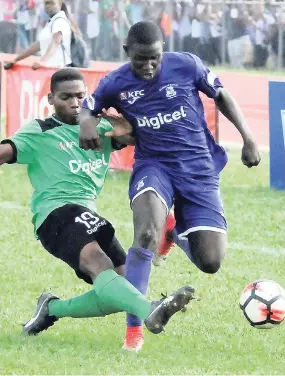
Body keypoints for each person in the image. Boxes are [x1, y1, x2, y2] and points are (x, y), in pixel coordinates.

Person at [78, 21, 261, 351]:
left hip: (199, 170)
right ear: (127, 54)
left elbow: (222, 95)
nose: (148, 66)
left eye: (155, 59)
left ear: (164, 50)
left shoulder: (187, 64)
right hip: (154, 166)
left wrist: (248, 140)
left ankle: (174, 234)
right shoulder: (116, 82)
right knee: (145, 233)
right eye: (140, 60)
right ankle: (134, 330)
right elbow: (87, 106)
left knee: (211, 261)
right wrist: (88, 125)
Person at [0, 68, 195, 342]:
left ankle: (52, 308)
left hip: (87, 215)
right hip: (54, 214)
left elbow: (135, 132)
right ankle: (150, 310)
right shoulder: (41, 130)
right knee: (99, 264)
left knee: (124, 286)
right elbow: (4, 152)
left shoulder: (100, 127)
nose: (74, 102)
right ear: (50, 99)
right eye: (65, 97)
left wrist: (107, 115)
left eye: (80, 96)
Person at [4, 0, 78, 70]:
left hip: (59, 70)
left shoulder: (60, 20)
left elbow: (55, 42)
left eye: (51, 3)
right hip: (50, 70)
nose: (48, 6)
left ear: (59, 4)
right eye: (46, 3)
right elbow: (37, 46)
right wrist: (16, 60)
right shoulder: (51, 22)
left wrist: (42, 61)